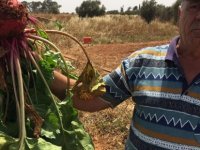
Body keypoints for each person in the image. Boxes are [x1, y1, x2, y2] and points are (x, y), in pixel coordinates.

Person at [51, 0, 200, 149]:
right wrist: (40, 68)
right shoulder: (142, 62)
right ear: (180, 14)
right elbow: (91, 97)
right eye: (194, 6)